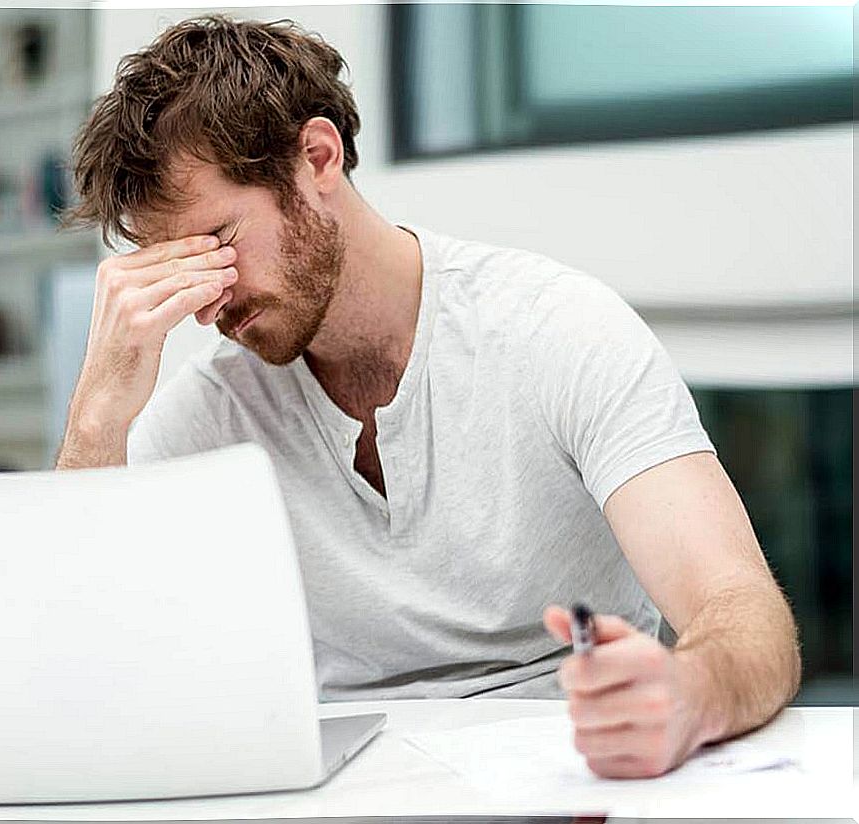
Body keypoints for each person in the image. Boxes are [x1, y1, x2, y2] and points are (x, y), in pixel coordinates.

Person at [55, 15, 801, 779]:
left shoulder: (556, 329)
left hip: (569, 761)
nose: (207, 305)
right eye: (174, 267)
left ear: (317, 157)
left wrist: (685, 693)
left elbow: (741, 612)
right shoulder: (214, 410)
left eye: (217, 241)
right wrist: (97, 414)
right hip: (340, 785)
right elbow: (77, 664)